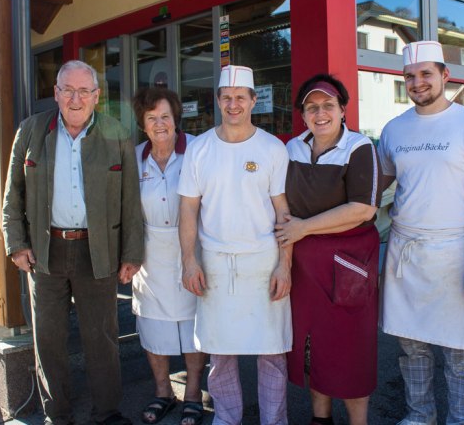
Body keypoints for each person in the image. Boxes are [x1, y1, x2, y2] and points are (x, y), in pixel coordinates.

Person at [2, 60, 144, 425]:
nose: (76, 98)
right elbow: (12, 196)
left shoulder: (116, 133)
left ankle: (107, 412)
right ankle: (57, 414)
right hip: (45, 250)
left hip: (98, 251)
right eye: (68, 89)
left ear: (97, 96)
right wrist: (16, 244)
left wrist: (131, 253)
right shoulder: (31, 131)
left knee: (102, 337)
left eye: (84, 91)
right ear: (56, 93)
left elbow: (131, 199)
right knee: (48, 339)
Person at [378, 41, 464, 425]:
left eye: (426, 74)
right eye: (410, 76)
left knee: (459, 354)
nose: (418, 83)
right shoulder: (394, 129)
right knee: (411, 348)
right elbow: (375, 191)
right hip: (406, 251)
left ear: (445, 76)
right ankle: (421, 416)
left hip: (456, 253)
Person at [178, 65, 292, 425]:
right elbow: (188, 210)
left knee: (271, 353)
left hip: (263, 264)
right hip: (214, 264)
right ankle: (226, 419)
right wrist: (188, 261)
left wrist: (284, 265)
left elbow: (283, 214)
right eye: (226, 97)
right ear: (217, 100)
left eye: (240, 97)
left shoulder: (273, 148)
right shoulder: (199, 149)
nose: (233, 104)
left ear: (253, 101)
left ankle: (274, 421)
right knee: (221, 354)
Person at [276, 74, 382, 425]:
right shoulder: (291, 149)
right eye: (311, 107)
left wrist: (303, 227)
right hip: (306, 267)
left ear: (342, 110)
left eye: (328, 106)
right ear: (303, 115)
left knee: (351, 349)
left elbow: (363, 209)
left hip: (349, 265)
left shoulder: (359, 147)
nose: (320, 113)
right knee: (312, 347)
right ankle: (320, 418)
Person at [129, 87, 207, 425]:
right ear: (142, 124)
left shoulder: (197, 152)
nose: (159, 124)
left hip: (192, 251)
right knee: (153, 327)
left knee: (193, 327)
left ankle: (192, 394)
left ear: (176, 119)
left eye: (165, 116)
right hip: (150, 256)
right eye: (151, 118)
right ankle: (163, 392)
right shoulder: (134, 158)